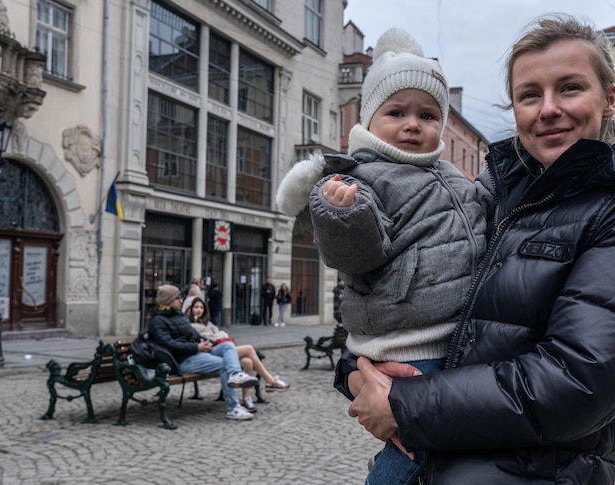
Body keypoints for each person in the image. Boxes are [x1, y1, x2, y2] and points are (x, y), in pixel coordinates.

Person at [337, 15, 615, 484]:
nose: (548, 109)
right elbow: (412, 302)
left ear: (610, 98)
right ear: (513, 108)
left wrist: (401, 404)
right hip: (437, 463)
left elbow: (575, 383)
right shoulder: (501, 196)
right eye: (530, 95)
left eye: (570, 88)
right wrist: (356, 372)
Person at [276, 27, 487, 485]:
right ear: (369, 121)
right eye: (397, 112)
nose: (414, 124)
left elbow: (480, 215)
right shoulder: (366, 179)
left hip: (448, 334)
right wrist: (339, 211)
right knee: (411, 448)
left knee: (427, 445)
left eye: (429, 115)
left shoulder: (452, 177)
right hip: (410, 341)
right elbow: (356, 254)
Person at [147, 284, 258, 421]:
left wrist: (205, 342)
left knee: (227, 345)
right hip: (182, 360)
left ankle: (236, 374)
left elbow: (192, 334)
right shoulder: (158, 321)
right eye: (177, 298)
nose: (181, 301)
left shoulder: (178, 316)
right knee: (224, 365)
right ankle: (233, 408)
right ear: (168, 301)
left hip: (197, 352)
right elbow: (169, 345)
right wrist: (197, 347)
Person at [183, 295, 290, 412]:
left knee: (247, 361)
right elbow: (215, 336)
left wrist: (217, 334)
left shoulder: (207, 323)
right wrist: (216, 334)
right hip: (211, 353)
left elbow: (221, 334)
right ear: (190, 309)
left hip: (219, 348)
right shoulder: (190, 325)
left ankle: (246, 399)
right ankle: (270, 381)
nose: (199, 310)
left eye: (201, 308)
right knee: (248, 349)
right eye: (196, 307)